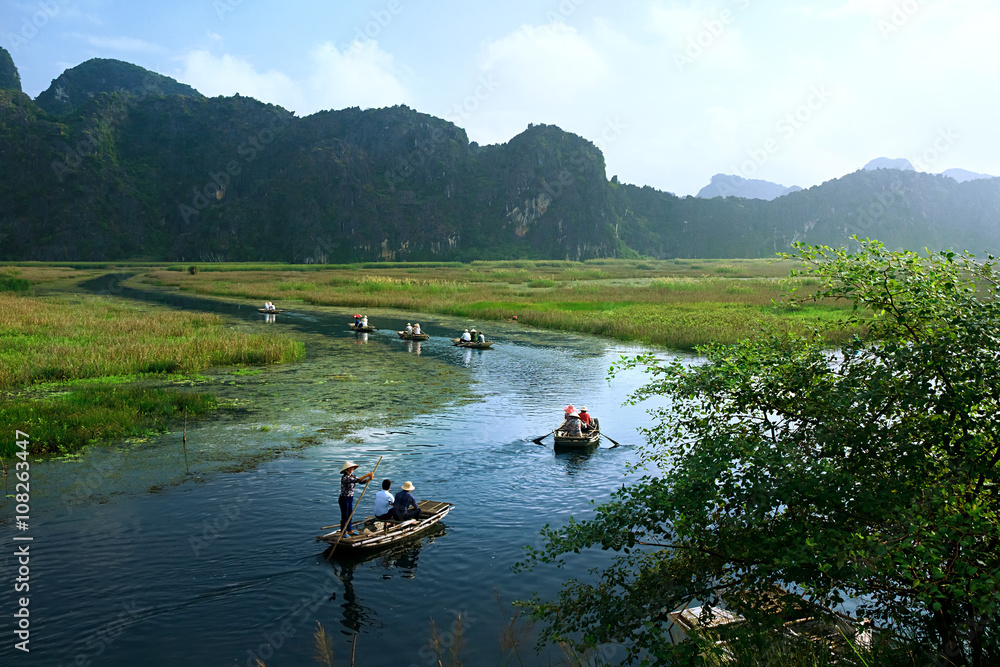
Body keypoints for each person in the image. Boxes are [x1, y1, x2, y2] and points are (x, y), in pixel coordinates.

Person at [339, 460, 374, 535]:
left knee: (350, 515)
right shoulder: (345, 478)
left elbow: (360, 481)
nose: (352, 469)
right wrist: (367, 475)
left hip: (350, 498)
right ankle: (343, 532)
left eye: (353, 468)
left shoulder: (352, 476)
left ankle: (349, 530)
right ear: (347, 469)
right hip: (344, 498)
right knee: (344, 515)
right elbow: (357, 480)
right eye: (351, 468)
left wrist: (368, 479)